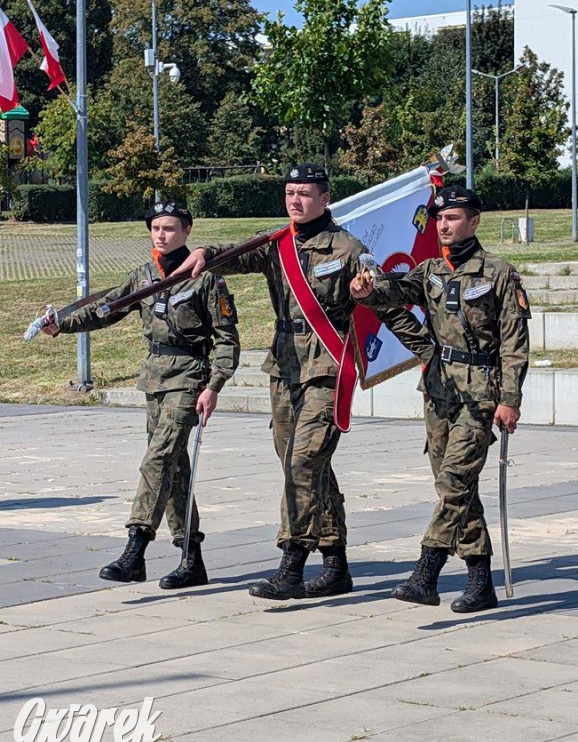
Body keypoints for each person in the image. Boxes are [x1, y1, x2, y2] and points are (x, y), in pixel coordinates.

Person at [176, 163, 434, 601]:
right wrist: (206, 251)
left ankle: (291, 564)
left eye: (305, 193)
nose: (296, 200)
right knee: (306, 466)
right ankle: (335, 564)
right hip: (284, 367)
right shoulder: (277, 245)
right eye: (290, 192)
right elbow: (235, 256)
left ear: (325, 198)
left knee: (303, 464)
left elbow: (386, 304)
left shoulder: (348, 248)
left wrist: (427, 352)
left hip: (327, 368)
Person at [42, 201, 240, 589]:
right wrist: (61, 325)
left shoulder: (205, 279)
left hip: (189, 378)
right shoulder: (145, 275)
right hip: (154, 380)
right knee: (175, 470)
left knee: (158, 460)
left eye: (169, 228)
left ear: (186, 231)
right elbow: (107, 309)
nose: (161, 235)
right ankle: (191, 558)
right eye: (155, 229)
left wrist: (214, 386)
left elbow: (227, 338)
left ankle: (136, 547)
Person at [350, 185, 530, 612]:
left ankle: (426, 572)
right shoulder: (430, 269)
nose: (444, 225)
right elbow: (394, 292)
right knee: (456, 487)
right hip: (438, 388)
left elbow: (514, 343)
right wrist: (366, 292)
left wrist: (510, 398)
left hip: (480, 391)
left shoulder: (499, 274)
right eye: (439, 219)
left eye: (452, 217)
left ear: (474, 221)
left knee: (454, 483)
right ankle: (480, 582)